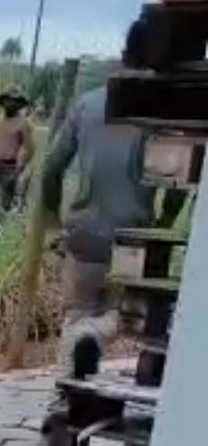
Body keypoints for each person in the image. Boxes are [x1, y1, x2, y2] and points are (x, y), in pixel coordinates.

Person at [41, 82, 184, 377]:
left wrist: (54, 218)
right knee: (131, 315)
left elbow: (52, 167)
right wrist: (166, 218)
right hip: (136, 238)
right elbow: (178, 177)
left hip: (85, 235)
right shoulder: (161, 109)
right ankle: (92, 336)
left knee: (76, 315)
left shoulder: (86, 104)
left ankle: (68, 396)